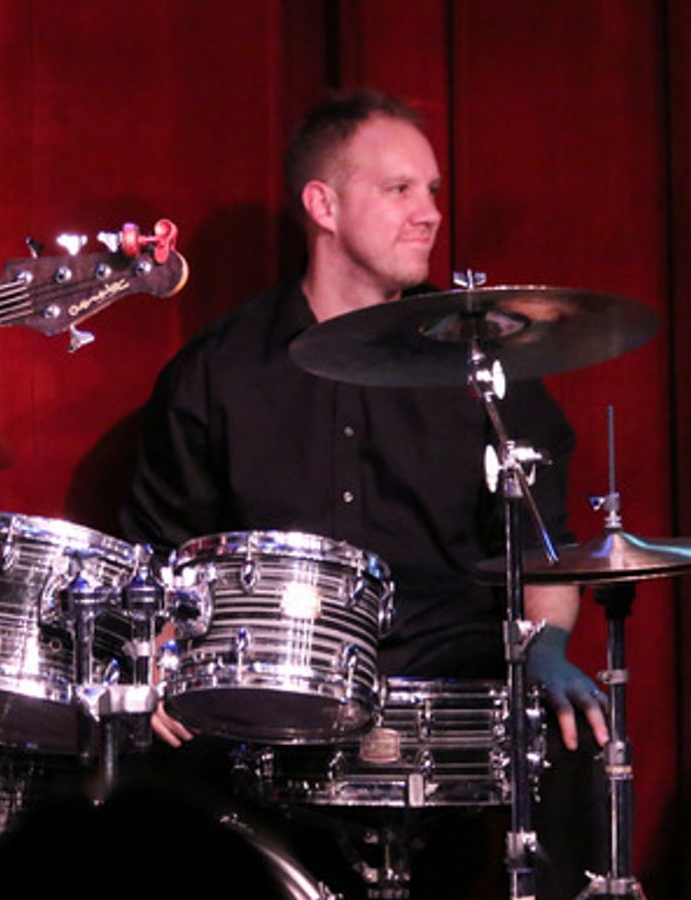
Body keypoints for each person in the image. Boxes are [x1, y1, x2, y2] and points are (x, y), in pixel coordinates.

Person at [121, 89, 608, 898]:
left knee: (571, 734)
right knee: (143, 757)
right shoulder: (220, 370)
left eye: (433, 191)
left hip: (452, 682)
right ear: (323, 204)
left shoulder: (483, 365)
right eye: (400, 190)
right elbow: (160, 553)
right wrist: (161, 653)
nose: (429, 214)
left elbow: (543, 547)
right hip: (272, 689)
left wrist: (547, 644)